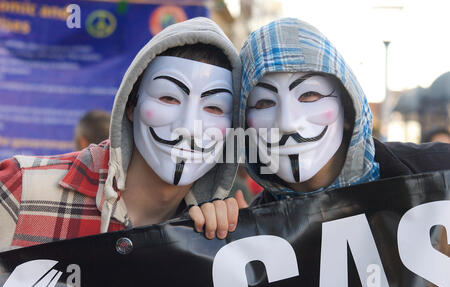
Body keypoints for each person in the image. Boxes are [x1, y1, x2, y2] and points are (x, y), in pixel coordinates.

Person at [0, 17, 244, 251]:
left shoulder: (210, 240)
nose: (189, 128)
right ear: (131, 104)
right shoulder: (20, 191)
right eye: (168, 98)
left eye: (214, 107)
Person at [238, 18, 450, 205]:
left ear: (348, 110)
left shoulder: (440, 172)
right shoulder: (255, 233)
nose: (287, 123)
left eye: (309, 95)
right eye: (264, 104)